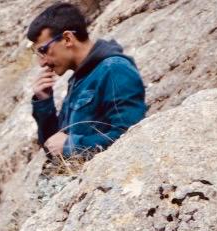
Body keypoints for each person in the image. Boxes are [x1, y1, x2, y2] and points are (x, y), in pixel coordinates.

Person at [26, 3, 147, 162]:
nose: (42, 63)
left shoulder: (114, 70)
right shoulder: (79, 79)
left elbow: (132, 137)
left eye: (43, 50)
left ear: (68, 38)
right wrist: (44, 103)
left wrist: (71, 146)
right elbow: (55, 149)